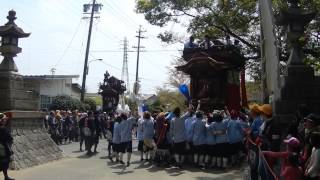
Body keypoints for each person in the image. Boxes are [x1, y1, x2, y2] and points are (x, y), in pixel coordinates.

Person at [0, 113, 14, 180]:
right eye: (4, 119)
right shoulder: (4, 129)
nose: (5, 120)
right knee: (5, 162)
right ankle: (6, 177)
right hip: (3, 148)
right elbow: (9, 138)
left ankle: (6, 176)